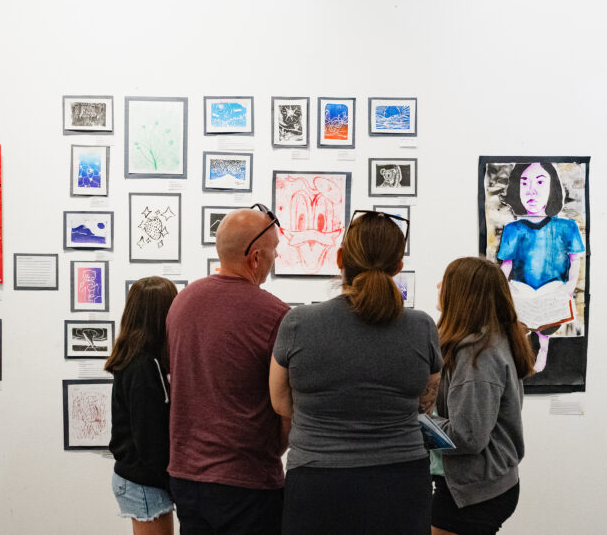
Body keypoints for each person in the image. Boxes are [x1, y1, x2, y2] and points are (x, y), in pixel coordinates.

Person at [270, 210, 442, 535]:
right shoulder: (421, 327)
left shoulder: (299, 323)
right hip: (401, 481)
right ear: (398, 267)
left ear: (339, 258)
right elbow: (425, 403)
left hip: (318, 481)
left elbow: (280, 404)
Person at [166, 205, 291, 533]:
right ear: (255, 257)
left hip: (186, 477)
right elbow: (287, 408)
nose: (275, 258)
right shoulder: (274, 315)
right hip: (246, 482)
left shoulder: (182, 302)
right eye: (274, 251)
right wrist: (273, 451)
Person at [433, 257, 537, 535]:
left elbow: (467, 435)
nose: (438, 286)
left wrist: (420, 422)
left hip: (476, 490)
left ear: (462, 294)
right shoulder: (489, 342)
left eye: (446, 281)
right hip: (481, 483)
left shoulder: (477, 354)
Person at [105, 276, 178, 535]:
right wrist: (176, 485)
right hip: (144, 481)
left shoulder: (139, 359)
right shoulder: (143, 366)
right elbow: (150, 438)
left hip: (138, 478)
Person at [497, 161, 585, 370]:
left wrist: (569, 287)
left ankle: (543, 348)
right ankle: (523, 353)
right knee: (520, 325)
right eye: (524, 183)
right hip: (521, 290)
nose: (532, 190)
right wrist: (501, 289)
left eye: (539, 182)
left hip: (553, 290)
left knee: (546, 327)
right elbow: (506, 264)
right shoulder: (513, 229)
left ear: (552, 188)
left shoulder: (567, 226)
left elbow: (576, 259)